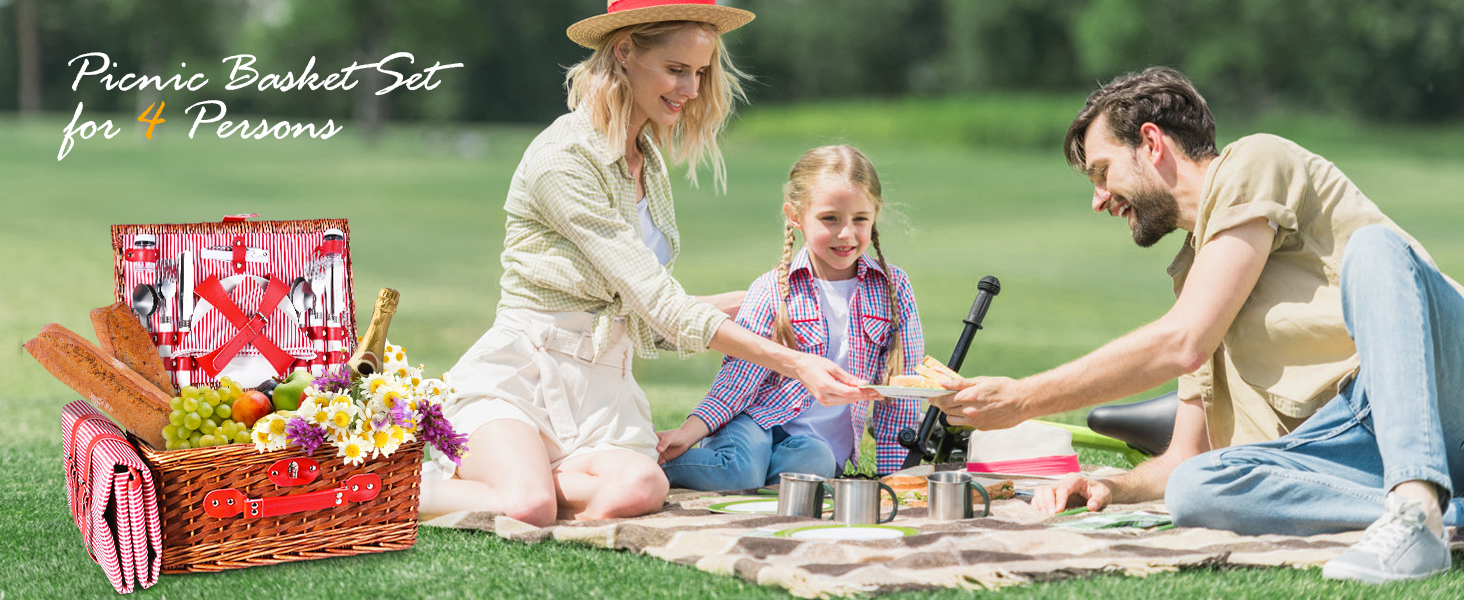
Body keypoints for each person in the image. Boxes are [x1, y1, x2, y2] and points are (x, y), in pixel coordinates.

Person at [931, 66, 1464, 583]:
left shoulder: (1254, 160)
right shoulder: (1196, 278)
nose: (1098, 199)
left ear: (1152, 142)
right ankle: (1429, 508)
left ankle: (1417, 509)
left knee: (1376, 251)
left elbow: (1184, 341)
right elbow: (1185, 454)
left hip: (1438, 391)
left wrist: (1023, 399)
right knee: (1195, 488)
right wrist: (1107, 486)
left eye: (1102, 172)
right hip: (1349, 447)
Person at [418, 1, 879, 526]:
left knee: (643, 486)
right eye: (676, 70)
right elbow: (658, 302)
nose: (692, 89)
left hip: (601, 396)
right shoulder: (562, 159)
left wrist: (765, 302)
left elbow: (639, 314)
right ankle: (398, 485)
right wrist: (794, 363)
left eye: (700, 73)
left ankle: (529, 475)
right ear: (623, 52)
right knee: (529, 507)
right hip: (522, 378)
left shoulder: (647, 159)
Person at [655, 146, 924, 489]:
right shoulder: (773, 288)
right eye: (830, 218)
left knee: (815, 464)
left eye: (860, 219)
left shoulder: (893, 289)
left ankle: (751, 479)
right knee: (739, 470)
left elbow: (900, 391)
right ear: (796, 216)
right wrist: (687, 432)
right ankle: (654, 467)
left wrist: (894, 477)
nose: (846, 233)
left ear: (875, 215)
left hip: (813, 447)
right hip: (754, 423)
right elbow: (737, 381)